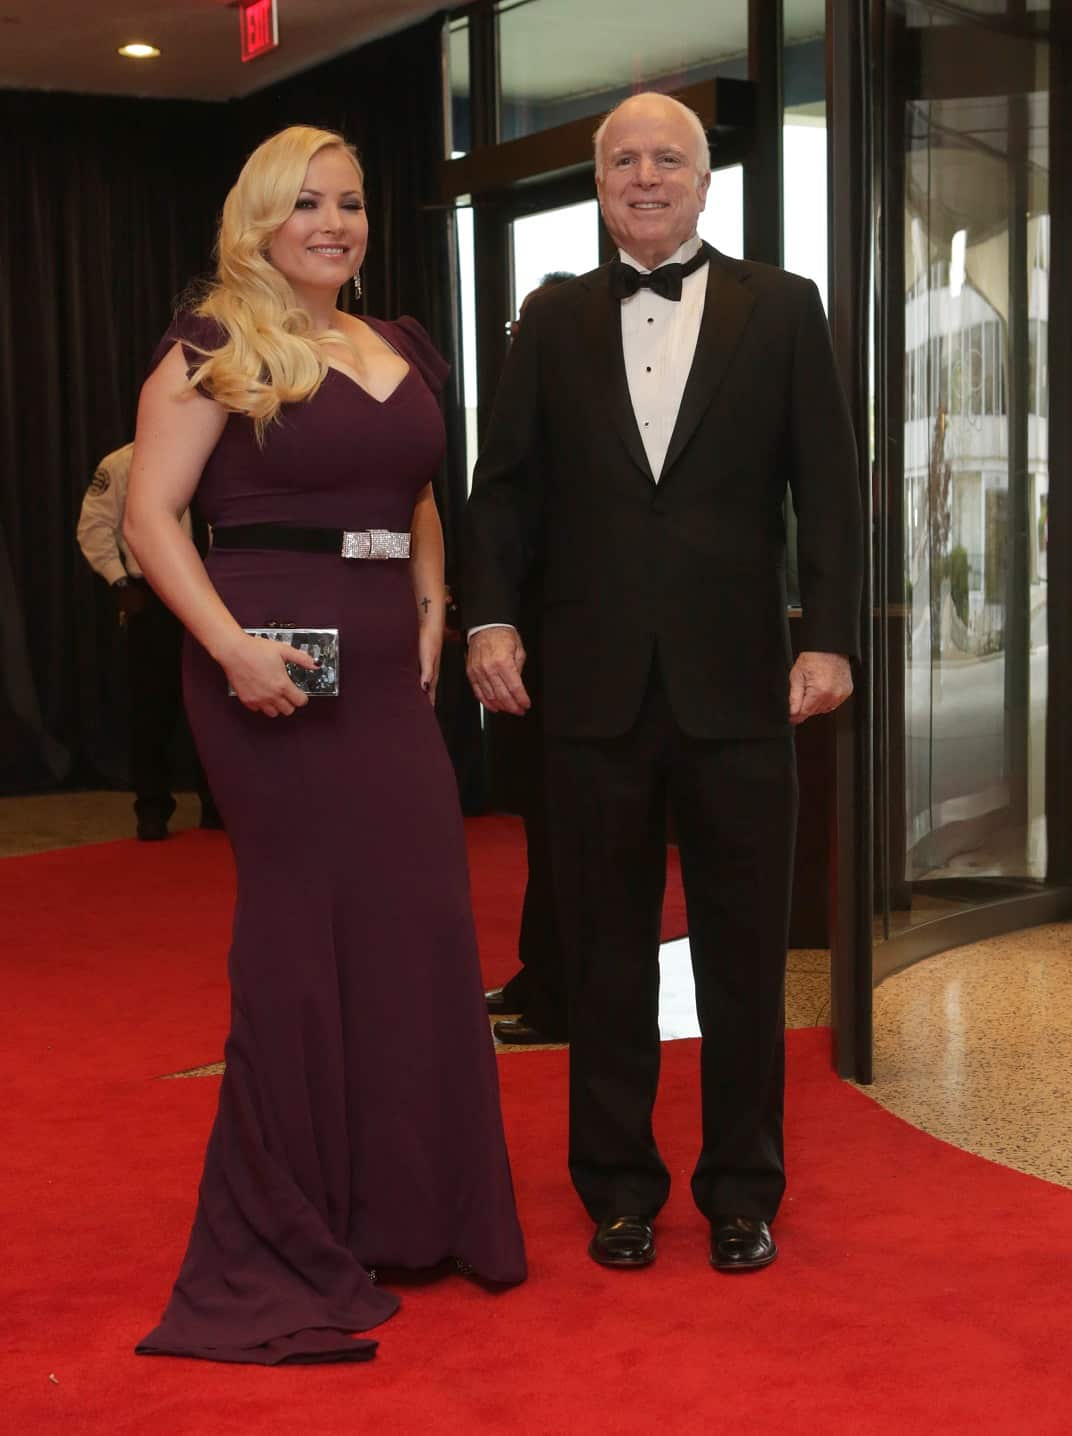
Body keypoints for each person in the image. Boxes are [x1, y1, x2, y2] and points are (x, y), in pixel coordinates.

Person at [125, 125, 525, 1366]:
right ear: (259, 219)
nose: (334, 222)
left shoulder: (398, 342)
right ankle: (292, 1223)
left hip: (384, 667)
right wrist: (235, 649)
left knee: (421, 922)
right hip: (267, 667)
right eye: (307, 203)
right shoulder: (210, 345)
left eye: (350, 202)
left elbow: (413, 493)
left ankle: (414, 1208)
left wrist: (430, 603)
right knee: (302, 938)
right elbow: (151, 517)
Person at [464, 92, 861, 1274]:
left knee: (745, 957)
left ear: (704, 180)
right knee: (603, 953)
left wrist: (830, 633)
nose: (646, 176)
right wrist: (489, 613)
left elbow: (829, 489)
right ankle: (618, 1187)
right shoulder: (548, 319)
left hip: (742, 686)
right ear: (598, 182)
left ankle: (744, 1187)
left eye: (669, 159)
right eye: (624, 159)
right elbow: (506, 490)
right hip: (588, 692)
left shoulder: (783, 308)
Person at [484, 272, 575, 1046]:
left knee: (566, 832)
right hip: (529, 653)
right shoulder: (531, 423)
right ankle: (538, 970)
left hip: (571, 655)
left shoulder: (578, 429)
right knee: (544, 829)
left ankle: (558, 990)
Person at [76, 443, 220, 839]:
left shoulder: (219, 456)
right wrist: (118, 580)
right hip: (153, 597)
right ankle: (153, 808)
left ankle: (216, 804)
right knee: (152, 707)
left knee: (217, 703)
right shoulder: (123, 462)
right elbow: (94, 526)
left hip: (216, 592)